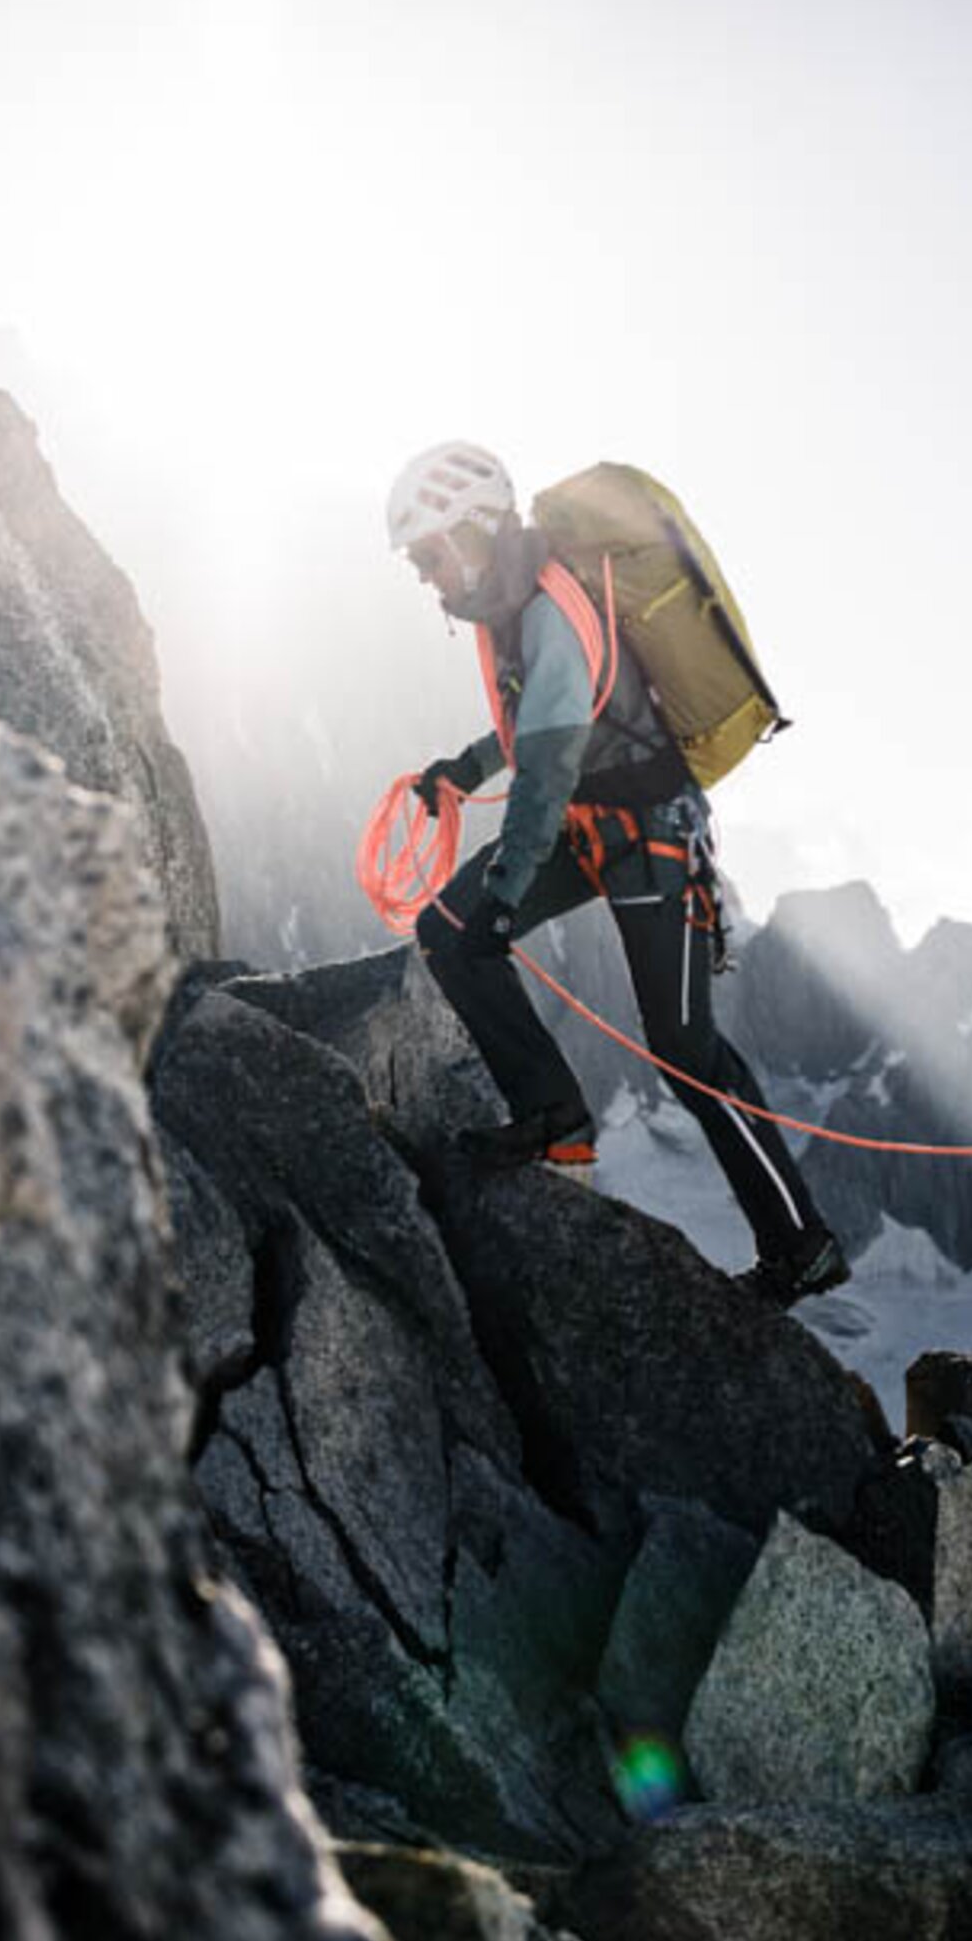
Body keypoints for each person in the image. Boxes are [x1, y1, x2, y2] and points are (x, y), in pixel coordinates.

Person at [384, 440, 847, 1306]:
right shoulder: (513, 603)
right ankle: (556, 1121)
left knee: (685, 1051)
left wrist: (510, 889)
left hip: (649, 831)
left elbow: (555, 756)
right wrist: (469, 766)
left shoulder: (551, 605)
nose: (423, 574)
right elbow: (552, 720)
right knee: (449, 932)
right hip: (595, 824)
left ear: (475, 527)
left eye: (427, 552)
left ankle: (803, 1244)